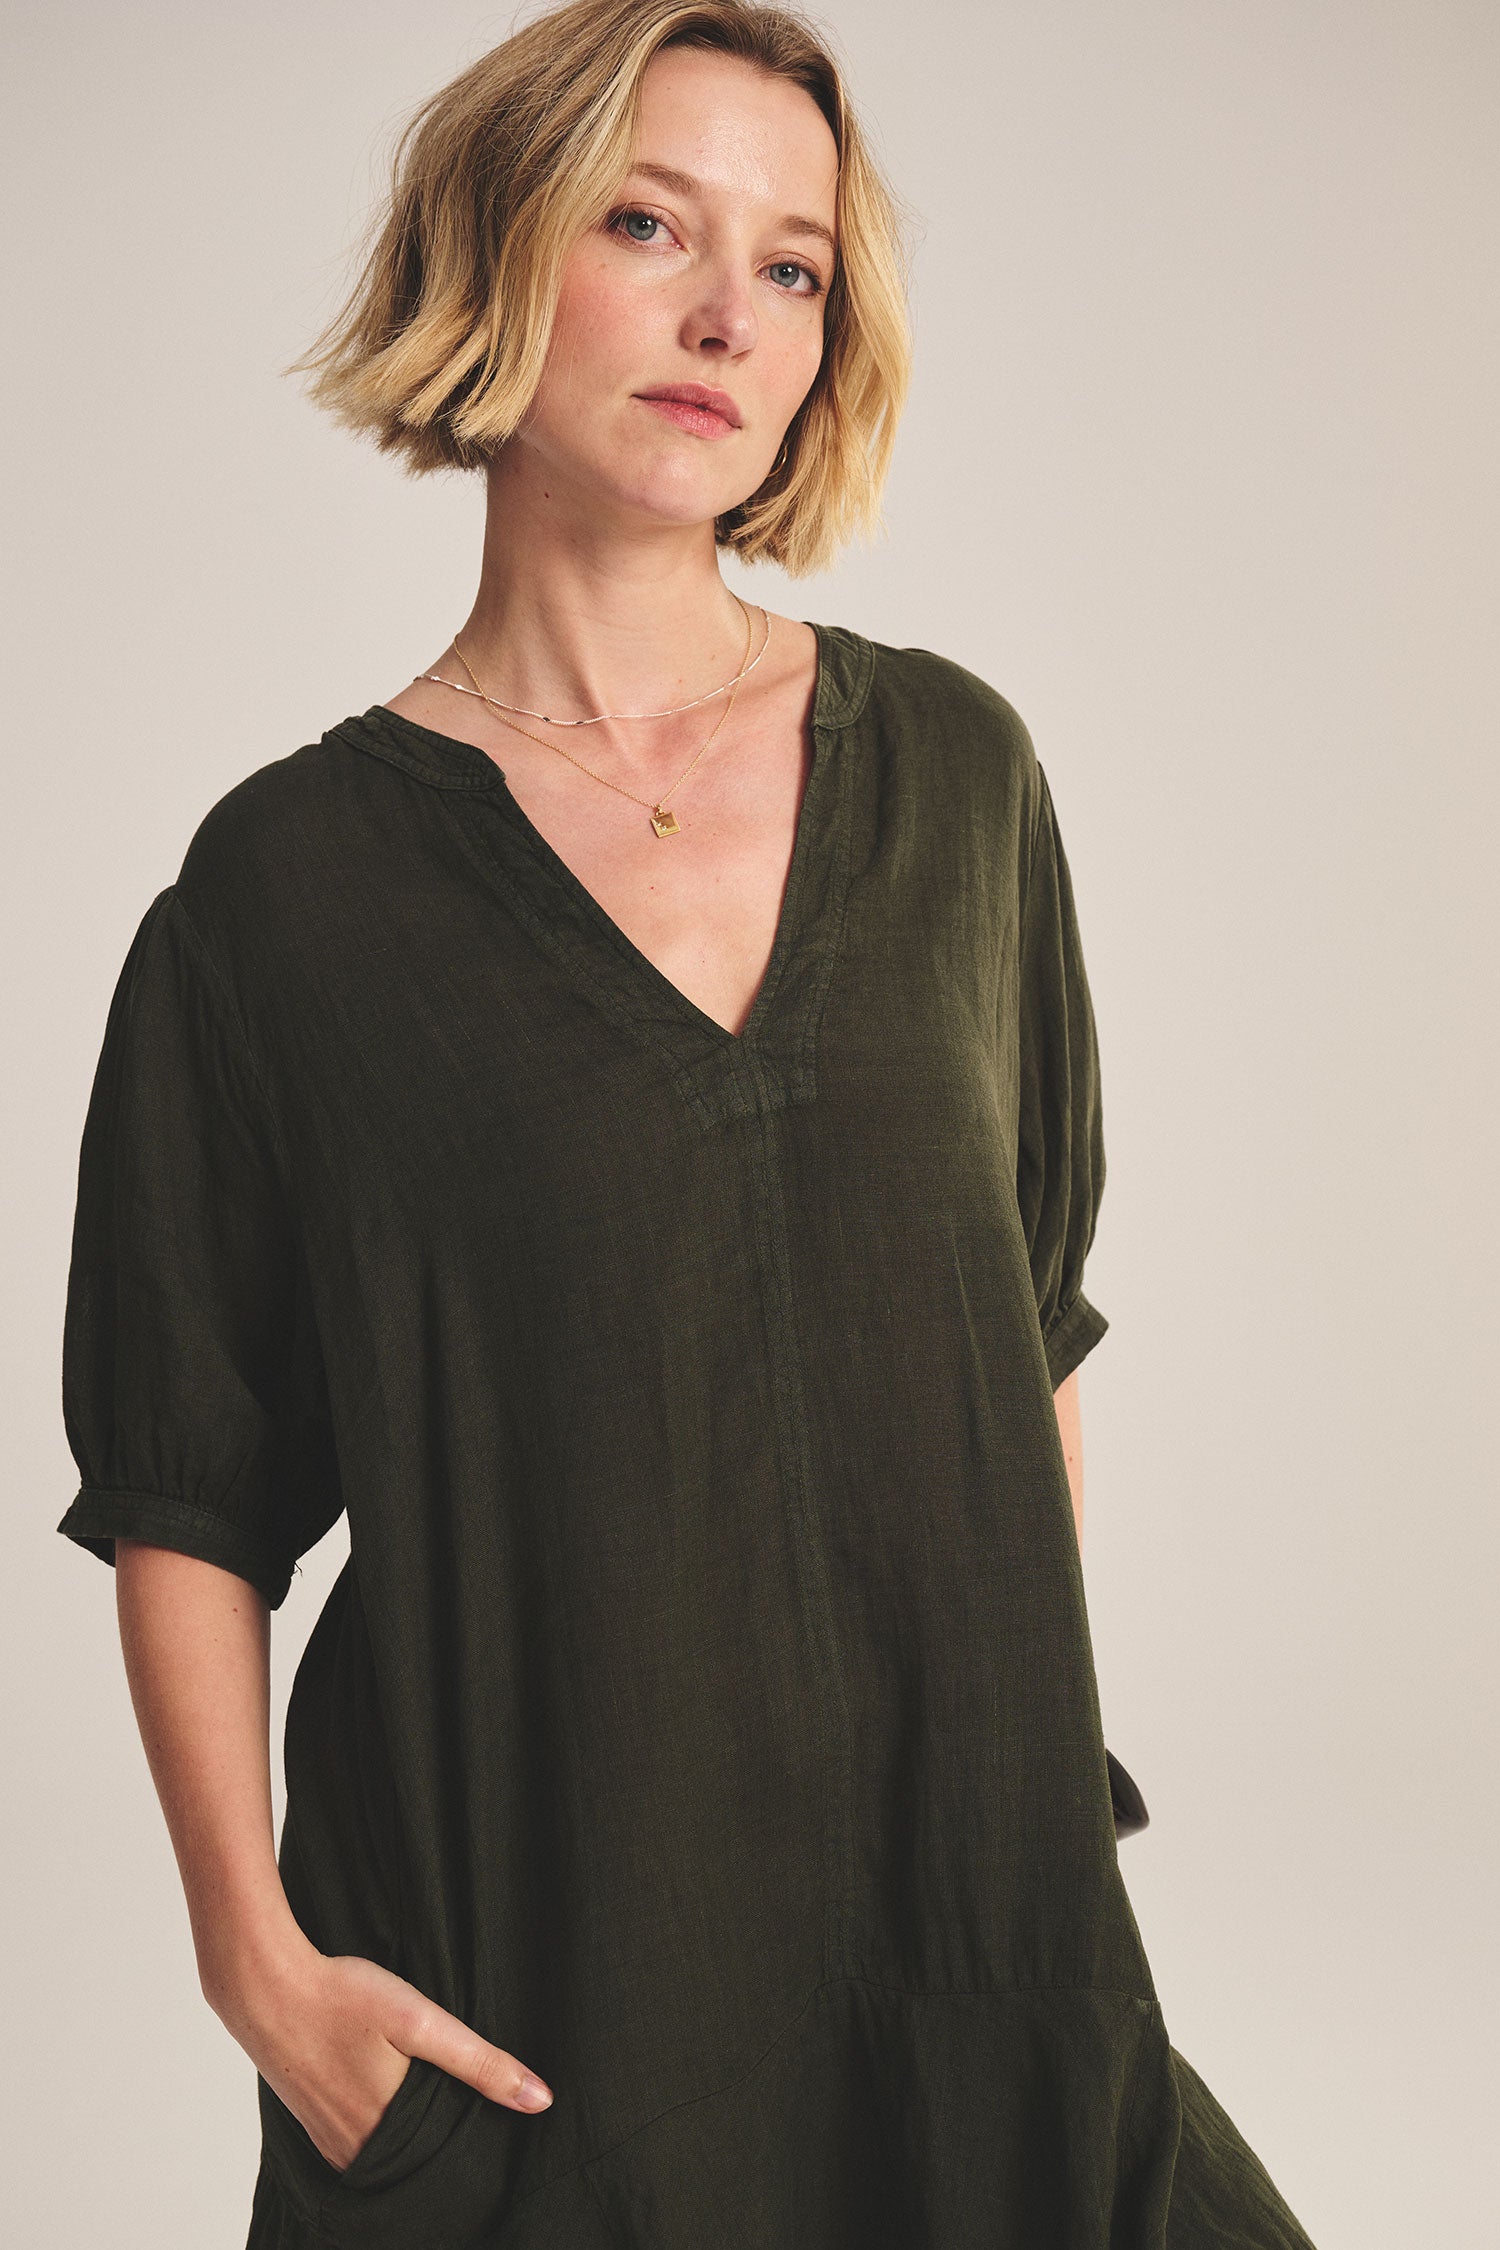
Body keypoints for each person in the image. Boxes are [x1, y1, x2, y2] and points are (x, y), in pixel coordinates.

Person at [56, 3, 1321, 2244]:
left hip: (977, 1976)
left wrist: (1012, 1793)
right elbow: (190, 1489)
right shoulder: (286, 895)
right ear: (500, 248)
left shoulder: (960, 781)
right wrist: (255, 1965)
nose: (732, 312)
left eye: (795, 265)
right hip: (552, 2021)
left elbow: (1022, 1336)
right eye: (649, 224)